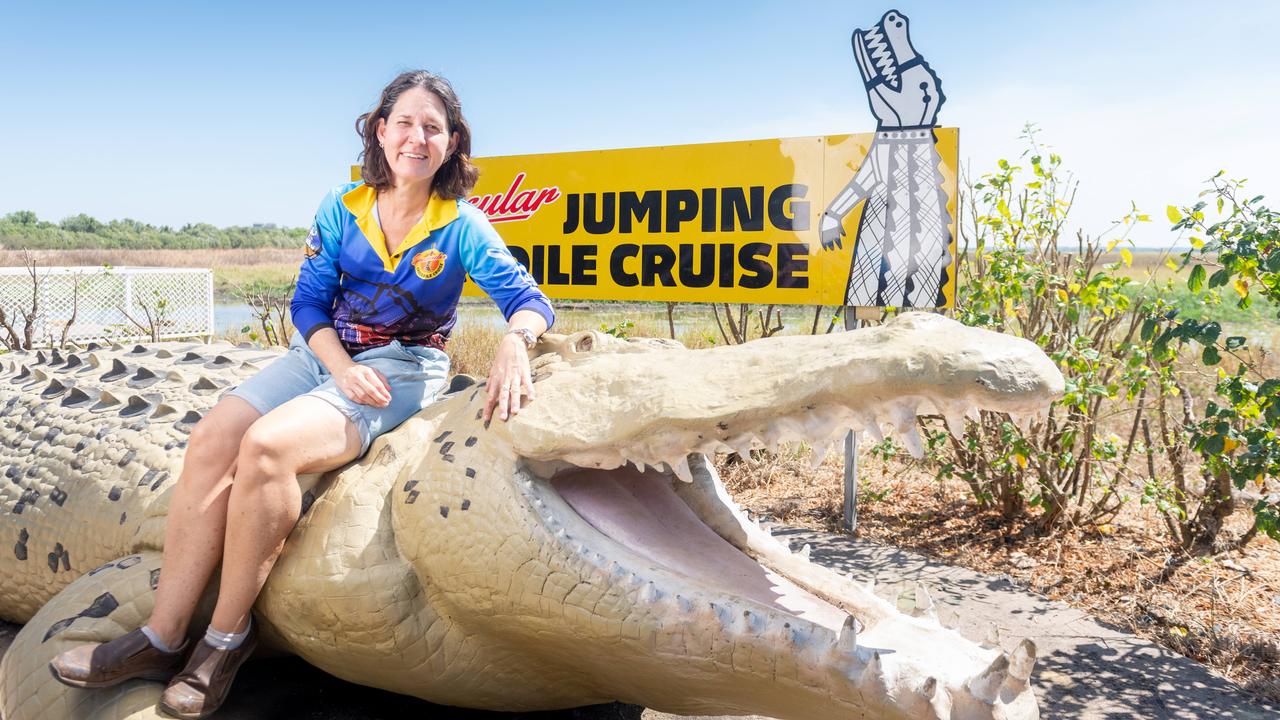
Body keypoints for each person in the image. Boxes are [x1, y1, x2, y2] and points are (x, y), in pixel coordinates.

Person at [49, 70, 554, 719]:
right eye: (404, 122)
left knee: (265, 448)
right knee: (211, 439)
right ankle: (161, 635)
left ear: (453, 143)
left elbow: (527, 300)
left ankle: (225, 640)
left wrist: (516, 339)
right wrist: (338, 367)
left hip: (401, 368)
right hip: (324, 358)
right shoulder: (341, 207)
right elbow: (309, 302)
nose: (416, 136)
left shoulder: (460, 226)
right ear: (381, 130)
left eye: (434, 127)